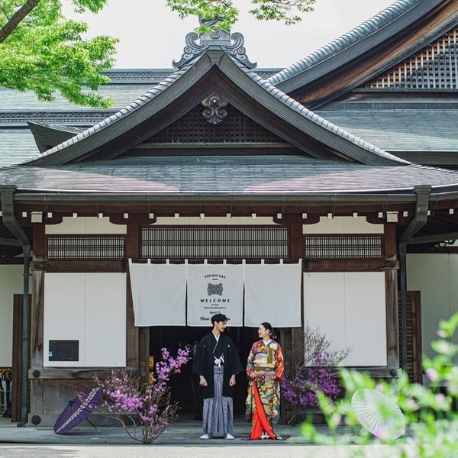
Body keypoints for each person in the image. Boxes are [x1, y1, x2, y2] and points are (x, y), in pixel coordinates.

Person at [192, 313, 243, 440]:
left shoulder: (228, 341)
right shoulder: (205, 341)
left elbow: (233, 360)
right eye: (223, 323)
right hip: (210, 376)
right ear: (216, 323)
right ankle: (207, 432)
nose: (224, 326)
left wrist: (233, 376)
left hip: (225, 376)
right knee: (210, 403)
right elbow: (199, 361)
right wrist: (201, 377)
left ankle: (228, 431)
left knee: (226, 402)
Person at [245, 322, 285, 440]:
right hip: (257, 379)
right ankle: (257, 431)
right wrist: (251, 373)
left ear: (268, 331)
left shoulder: (275, 346)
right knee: (257, 406)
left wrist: (276, 375)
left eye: (260, 329)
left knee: (269, 405)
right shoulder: (255, 345)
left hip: (270, 381)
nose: (258, 331)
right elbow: (250, 361)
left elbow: (280, 362)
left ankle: (268, 430)